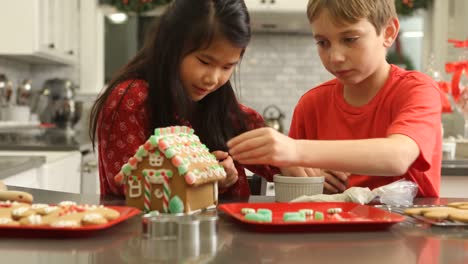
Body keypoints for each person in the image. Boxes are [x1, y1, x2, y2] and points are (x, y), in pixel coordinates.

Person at [227, 0, 442, 197]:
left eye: (350, 39)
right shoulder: (311, 105)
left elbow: (398, 157)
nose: (335, 57)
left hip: (406, 234)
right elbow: (299, 191)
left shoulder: (417, 89)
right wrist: (312, 177)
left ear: (388, 32)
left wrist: (296, 151)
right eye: (323, 43)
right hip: (328, 235)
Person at [89, 0, 279, 197]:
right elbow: (129, 186)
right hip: (146, 228)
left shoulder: (223, 109)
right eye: (204, 61)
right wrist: (212, 181)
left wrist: (290, 154)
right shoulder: (132, 99)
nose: (212, 79)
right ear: (171, 45)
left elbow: (283, 164)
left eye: (227, 67)